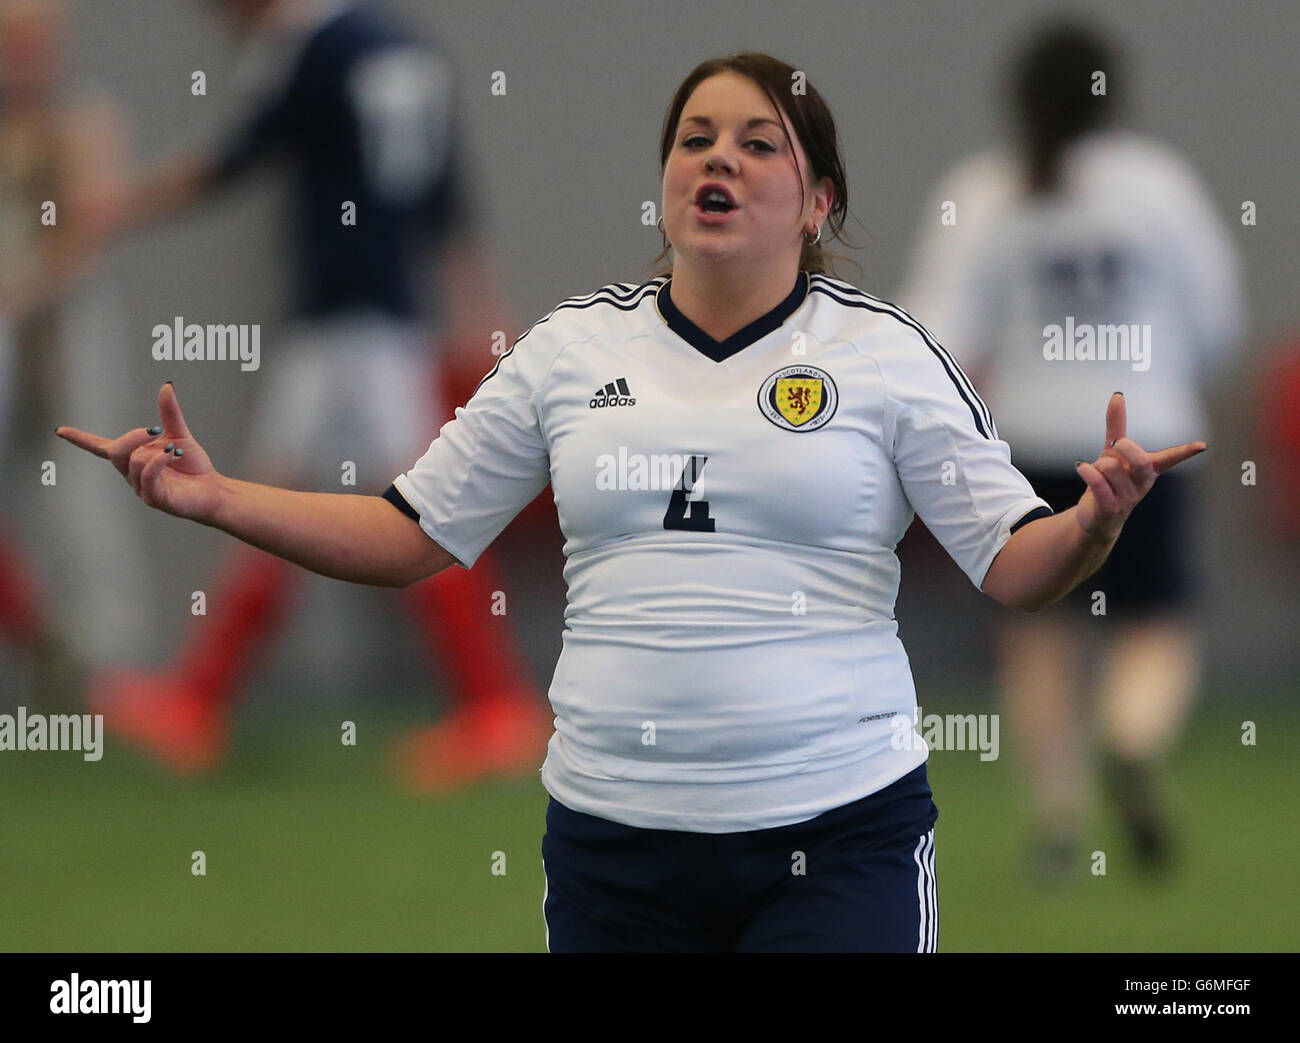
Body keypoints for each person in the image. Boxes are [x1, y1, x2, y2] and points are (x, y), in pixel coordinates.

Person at [58, 51, 1208, 953]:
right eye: (694, 138)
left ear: (816, 200)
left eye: (759, 144)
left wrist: (1093, 520)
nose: (719, 159)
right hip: (615, 846)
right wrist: (219, 500)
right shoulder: (568, 350)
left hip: (835, 836)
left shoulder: (886, 353)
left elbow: (1014, 563)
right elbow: (411, 533)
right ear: (663, 178)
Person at [74, 0, 550, 787]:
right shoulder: (400, 43)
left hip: (346, 319)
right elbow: (444, 194)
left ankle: (497, 705)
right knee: (282, 489)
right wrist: (477, 303)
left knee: (406, 511)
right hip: (382, 311)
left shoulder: (308, 46)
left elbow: (233, 159)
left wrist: (116, 206)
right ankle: (198, 699)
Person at [897, 20, 1243, 880]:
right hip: (1147, 443)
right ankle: (1130, 739)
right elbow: (1218, 316)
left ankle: (1059, 822)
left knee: (1038, 636)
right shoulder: (1160, 186)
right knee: (1155, 623)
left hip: (1029, 443)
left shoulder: (984, 191)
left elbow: (933, 329)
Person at [0, 0, 150, 698]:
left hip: (65, 322)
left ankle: (109, 668)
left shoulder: (80, 120)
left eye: (33, 45)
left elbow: (91, 222)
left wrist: (25, 290)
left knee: (84, 494)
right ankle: (38, 647)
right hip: (6, 322)